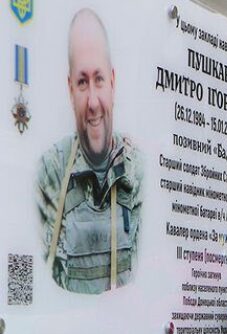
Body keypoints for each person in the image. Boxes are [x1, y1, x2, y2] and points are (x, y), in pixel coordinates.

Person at [36, 8, 143, 294]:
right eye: (83, 82)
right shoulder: (50, 172)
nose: (93, 102)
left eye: (99, 79)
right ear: (70, 90)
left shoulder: (138, 170)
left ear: (113, 82)